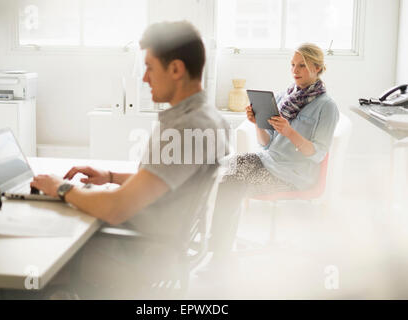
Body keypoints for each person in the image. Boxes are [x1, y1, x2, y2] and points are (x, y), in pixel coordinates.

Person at [29, 21, 230, 299]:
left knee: (42, 262)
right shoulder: (207, 117)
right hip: (151, 239)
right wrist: (110, 177)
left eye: (149, 67)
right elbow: (168, 180)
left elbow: (117, 208)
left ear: (175, 69)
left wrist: (61, 188)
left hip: (143, 252)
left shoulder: (188, 128)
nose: (145, 78)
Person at [206, 43, 339, 269]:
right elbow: (265, 143)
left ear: (317, 68)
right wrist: (256, 122)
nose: (295, 71)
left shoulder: (327, 107)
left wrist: (289, 131)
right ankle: (219, 249)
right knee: (229, 169)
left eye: (302, 66)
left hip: (294, 175)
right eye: (292, 65)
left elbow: (316, 154)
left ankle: (218, 253)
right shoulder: (285, 96)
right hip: (270, 161)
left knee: (231, 183)